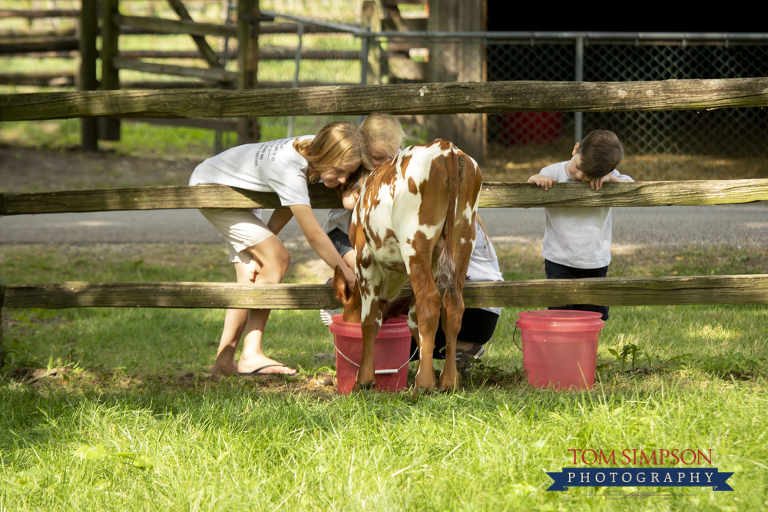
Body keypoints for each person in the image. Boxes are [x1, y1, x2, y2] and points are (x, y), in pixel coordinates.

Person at [320, 113, 502, 372]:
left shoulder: (410, 176)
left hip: (468, 307)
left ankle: (452, 349)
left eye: (388, 157)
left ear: (399, 151)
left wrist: (363, 278)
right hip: (478, 310)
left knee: (378, 315)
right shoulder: (414, 170)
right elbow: (337, 233)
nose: (382, 164)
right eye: (373, 159)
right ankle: (454, 350)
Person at [190, 121, 371, 376]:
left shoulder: (314, 147)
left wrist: (259, 248)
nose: (343, 179)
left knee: (249, 279)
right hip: (213, 188)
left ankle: (223, 363)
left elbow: (288, 202)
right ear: (325, 155)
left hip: (235, 190)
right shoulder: (290, 168)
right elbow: (314, 235)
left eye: (348, 174)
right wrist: (345, 271)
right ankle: (251, 354)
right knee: (278, 259)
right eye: (340, 171)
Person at [527, 129, 633, 321]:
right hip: (559, 260)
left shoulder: (607, 175)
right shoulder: (552, 173)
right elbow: (525, 200)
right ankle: (563, 351)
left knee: (591, 318)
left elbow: (633, 189)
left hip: (594, 260)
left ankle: (586, 351)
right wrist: (533, 180)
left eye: (589, 176)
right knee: (560, 317)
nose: (580, 176)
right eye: (578, 167)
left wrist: (612, 179)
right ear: (576, 149)